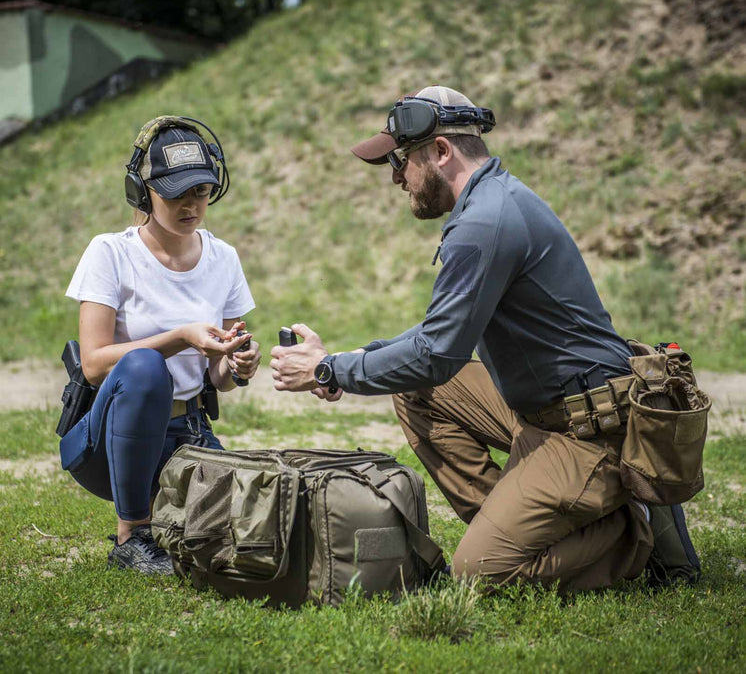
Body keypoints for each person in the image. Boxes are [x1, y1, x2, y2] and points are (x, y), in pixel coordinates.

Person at [270, 86, 701, 592]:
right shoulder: (495, 200)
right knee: (415, 392)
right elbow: (440, 334)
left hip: (589, 431)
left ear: (441, 152)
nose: (396, 179)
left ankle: (631, 527)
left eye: (400, 162)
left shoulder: (484, 222)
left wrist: (328, 370)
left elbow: (436, 355)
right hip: (547, 411)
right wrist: (353, 360)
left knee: (478, 574)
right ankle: (524, 518)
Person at [60, 116, 260, 575]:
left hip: (186, 432)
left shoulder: (224, 257)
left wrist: (238, 362)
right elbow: (93, 366)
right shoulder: (109, 252)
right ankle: (132, 534)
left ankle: (164, 514)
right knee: (145, 366)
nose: (191, 204)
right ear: (142, 192)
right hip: (109, 443)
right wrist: (180, 337)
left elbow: (220, 379)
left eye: (202, 192)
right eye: (176, 193)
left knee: (245, 525)